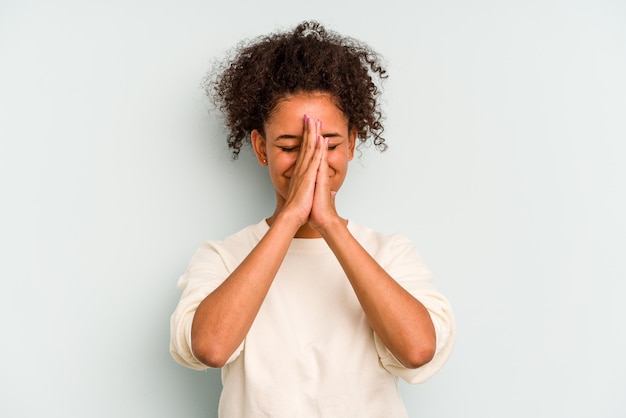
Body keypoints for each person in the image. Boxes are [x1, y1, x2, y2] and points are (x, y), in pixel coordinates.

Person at [170, 21, 455, 418]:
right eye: (290, 146)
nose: (312, 162)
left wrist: (329, 224)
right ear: (260, 147)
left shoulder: (389, 253)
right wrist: (290, 218)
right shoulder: (222, 257)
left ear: (352, 143)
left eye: (329, 144)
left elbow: (418, 350)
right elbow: (211, 348)